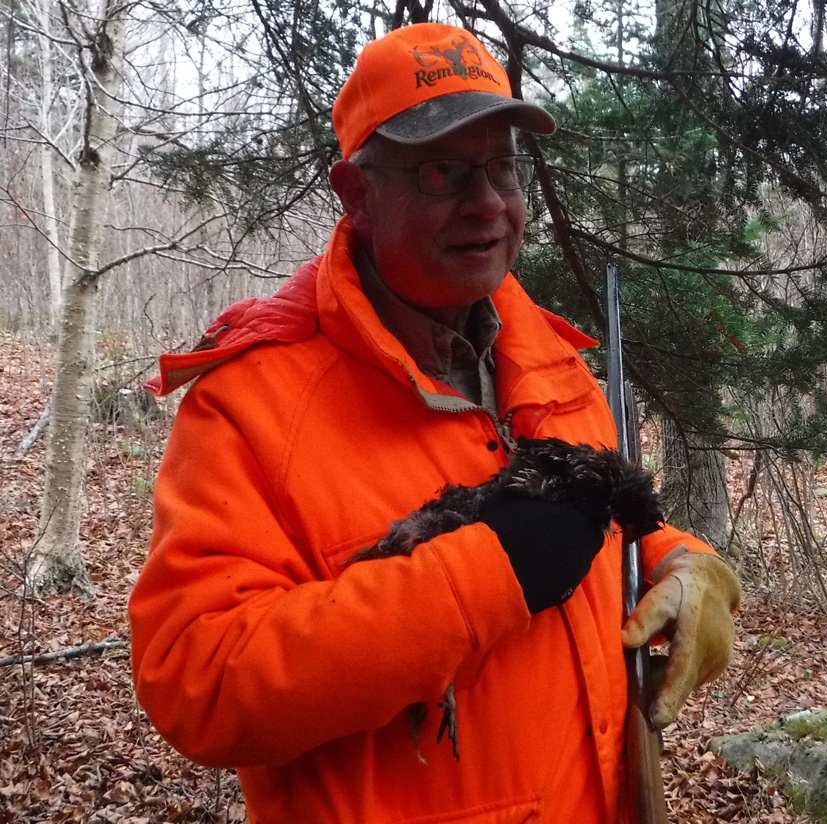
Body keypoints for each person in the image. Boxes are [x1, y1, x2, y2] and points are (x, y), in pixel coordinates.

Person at [129, 22, 741, 824]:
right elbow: (197, 682)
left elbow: (584, 531)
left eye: (501, 168)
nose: (486, 204)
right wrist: (481, 579)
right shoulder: (253, 403)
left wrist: (680, 563)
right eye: (443, 172)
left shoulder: (551, 361)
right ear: (356, 193)